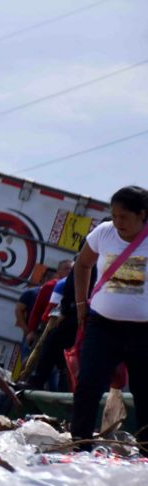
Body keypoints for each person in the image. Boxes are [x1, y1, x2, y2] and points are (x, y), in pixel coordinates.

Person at [71, 186, 148, 448]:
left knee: (145, 393)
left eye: (123, 217)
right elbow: (82, 264)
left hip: (143, 332)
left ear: (142, 215)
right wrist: (81, 305)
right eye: (113, 215)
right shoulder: (104, 233)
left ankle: (146, 450)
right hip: (102, 326)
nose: (117, 222)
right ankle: (79, 443)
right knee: (88, 385)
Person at [25, 260, 72, 347]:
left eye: (71, 269)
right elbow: (37, 310)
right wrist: (32, 331)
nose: (69, 271)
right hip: (46, 327)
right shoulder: (49, 286)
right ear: (58, 272)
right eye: (66, 269)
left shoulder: (77, 287)